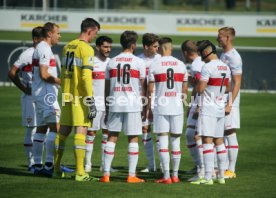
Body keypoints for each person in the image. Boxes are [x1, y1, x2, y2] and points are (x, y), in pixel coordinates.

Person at [54, 18, 100, 181]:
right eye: (96, 33)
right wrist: (90, 101)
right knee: (81, 130)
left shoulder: (67, 46)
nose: (95, 36)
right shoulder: (86, 49)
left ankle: (56, 168)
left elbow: (63, 72)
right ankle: (80, 173)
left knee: (63, 132)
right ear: (90, 30)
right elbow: (86, 77)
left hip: (66, 94)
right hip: (79, 96)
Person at [100, 30, 146, 183]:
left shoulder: (111, 62)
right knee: (133, 138)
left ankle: (106, 174)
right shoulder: (139, 62)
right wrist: (145, 107)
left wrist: (107, 107)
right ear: (133, 44)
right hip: (133, 104)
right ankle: (131, 175)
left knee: (112, 137)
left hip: (114, 103)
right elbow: (143, 87)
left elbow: (106, 88)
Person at [147, 37, 188, 184]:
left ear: (160, 48)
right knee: (176, 141)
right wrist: (181, 103)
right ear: (170, 47)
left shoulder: (154, 65)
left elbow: (150, 90)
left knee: (163, 140)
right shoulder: (181, 65)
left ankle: (166, 176)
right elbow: (184, 89)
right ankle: (175, 175)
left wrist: (148, 108)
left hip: (161, 107)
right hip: (177, 107)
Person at [191, 40, 230, 185]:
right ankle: (220, 176)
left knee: (207, 140)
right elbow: (228, 88)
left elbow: (200, 89)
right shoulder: (225, 67)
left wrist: (196, 84)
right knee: (219, 141)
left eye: (201, 53)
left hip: (208, 107)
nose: (201, 56)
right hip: (220, 106)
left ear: (206, 52)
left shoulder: (207, 67)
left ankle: (208, 177)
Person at [8, 26, 43, 172]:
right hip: (30, 97)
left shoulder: (46, 53)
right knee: (32, 129)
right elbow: (12, 73)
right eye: (43, 38)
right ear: (35, 39)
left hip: (43, 96)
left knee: (44, 130)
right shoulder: (27, 55)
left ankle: (40, 162)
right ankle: (31, 163)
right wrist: (23, 88)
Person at [84, 35, 118, 173]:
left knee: (107, 134)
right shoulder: (91, 62)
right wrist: (89, 103)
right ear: (98, 47)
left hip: (108, 104)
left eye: (110, 47)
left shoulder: (112, 63)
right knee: (91, 134)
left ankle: (104, 165)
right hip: (94, 104)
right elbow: (85, 84)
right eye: (105, 46)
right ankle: (87, 164)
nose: (108, 49)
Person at [32, 22, 61, 176]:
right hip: (46, 94)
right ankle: (49, 165)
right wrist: (60, 82)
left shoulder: (41, 48)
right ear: (50, 34)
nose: (59, 36)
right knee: (55, 128)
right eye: (58, 33)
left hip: (40, 94)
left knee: (41, 129)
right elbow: (44, 74)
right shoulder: (44, 48)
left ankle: (38, 166)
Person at [217, 27, 242, 179]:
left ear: (227, 37)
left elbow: (237, 82)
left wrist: (230, 103)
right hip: (222, 98)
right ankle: (225, 167)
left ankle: (231, 170)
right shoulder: (223, 54)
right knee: (223, 132)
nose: (217, 38)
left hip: (230, 100)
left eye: (219, 36)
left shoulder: (234, 57)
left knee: (230, 131)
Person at [181, 40, 205, 182]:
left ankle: (203, 169)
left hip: (200, 102)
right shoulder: (201, 61)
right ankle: (200, 167)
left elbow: (198, 87)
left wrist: (193, 104)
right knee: (192, 134)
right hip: (205, 101)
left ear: (185, 53)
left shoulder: (196, 64)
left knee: (194, 135)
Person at [137, 33, 161, 173]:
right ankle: (152, 166)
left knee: (159, 132)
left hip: (159, 100)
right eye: (154, 46)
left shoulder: (160, 60)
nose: (157, 49)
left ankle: (164, 166)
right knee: (145, 130)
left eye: (158, 46)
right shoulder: (138, 60)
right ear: (146, 46)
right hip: (142, 100)